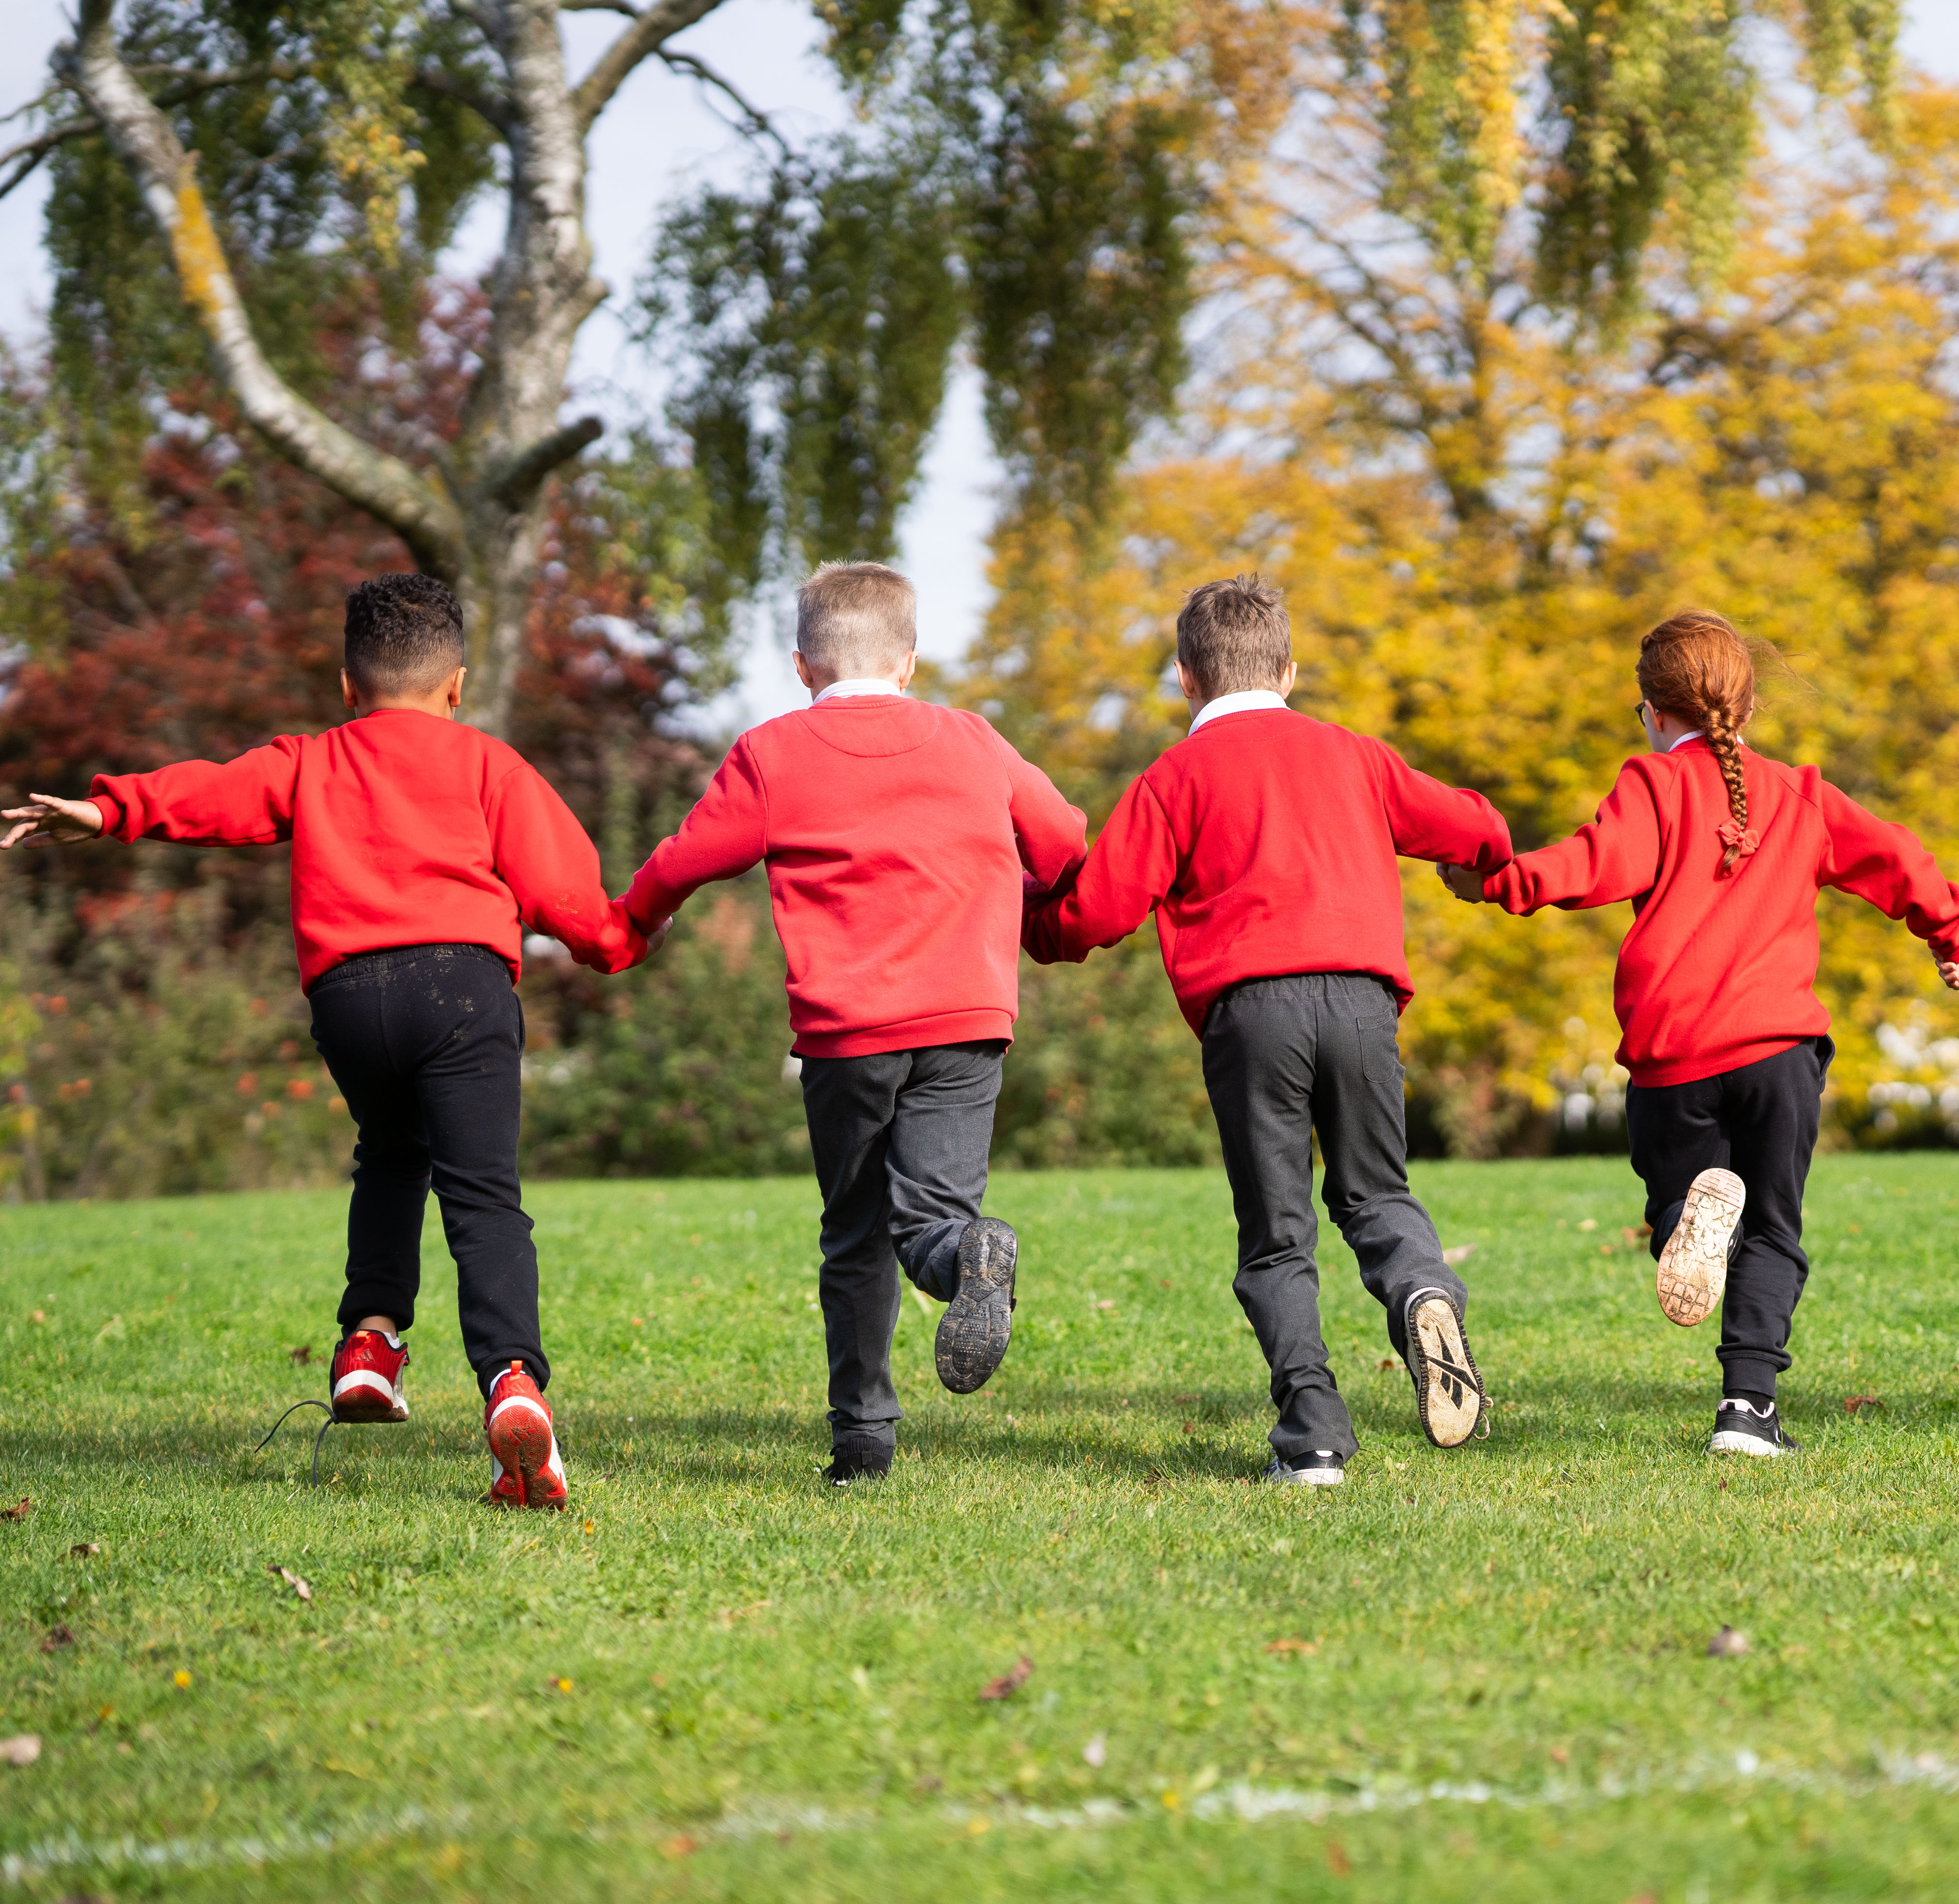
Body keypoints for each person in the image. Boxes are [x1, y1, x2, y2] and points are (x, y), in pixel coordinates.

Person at [0, 572, 647, 1508]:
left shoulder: (311, 761)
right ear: (457, 684)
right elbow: (568, 898)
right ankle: (513, 1382)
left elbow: (216, 794)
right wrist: (619, 943)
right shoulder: (488, 766)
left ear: (348, 686)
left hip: (349, 998)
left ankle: (371, 1344)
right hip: (461, 985)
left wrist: (109, 809)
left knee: (389, 1156)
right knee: (482, 1198)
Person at [1440, 611, 1959, 1458]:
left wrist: (1500, 881)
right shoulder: (1802, 793)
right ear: (1751, 704)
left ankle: (1692, 1226)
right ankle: (1747, 1412)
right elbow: (1898, 859)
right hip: (1779, 1053)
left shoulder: (1652, 787)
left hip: (1673, 1055)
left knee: (1679, 1202)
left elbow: (1588, 865)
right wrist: (1957, 939)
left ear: (1655, 713)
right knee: (1775, 1228)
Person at [1023, 574, 1511, 1486]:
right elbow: (1470, 824)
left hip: (1252, 1013)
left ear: (1185, 679)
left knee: (1278, 1234)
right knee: (1375, 1194)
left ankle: (1315, 1435)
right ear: (1289, 669)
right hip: (1363, 1001)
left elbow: (1094, 914)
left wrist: (1027, 916)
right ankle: (1424, 1290)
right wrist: (1482, 859)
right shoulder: (1354, 755)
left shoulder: (1176, 776)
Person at [614, 562, 1085, 1486]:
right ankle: (966, 1256)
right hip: (967, 1016)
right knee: (934, 1219)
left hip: (849, 1031)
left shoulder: (773, 752)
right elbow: (1066, 842)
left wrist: (636, 915)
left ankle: (863, 1441)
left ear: (801, 666)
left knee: (856, 1231)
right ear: (908, 662)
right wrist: (1015, 893)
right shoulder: (973, 740)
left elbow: (684, 859)